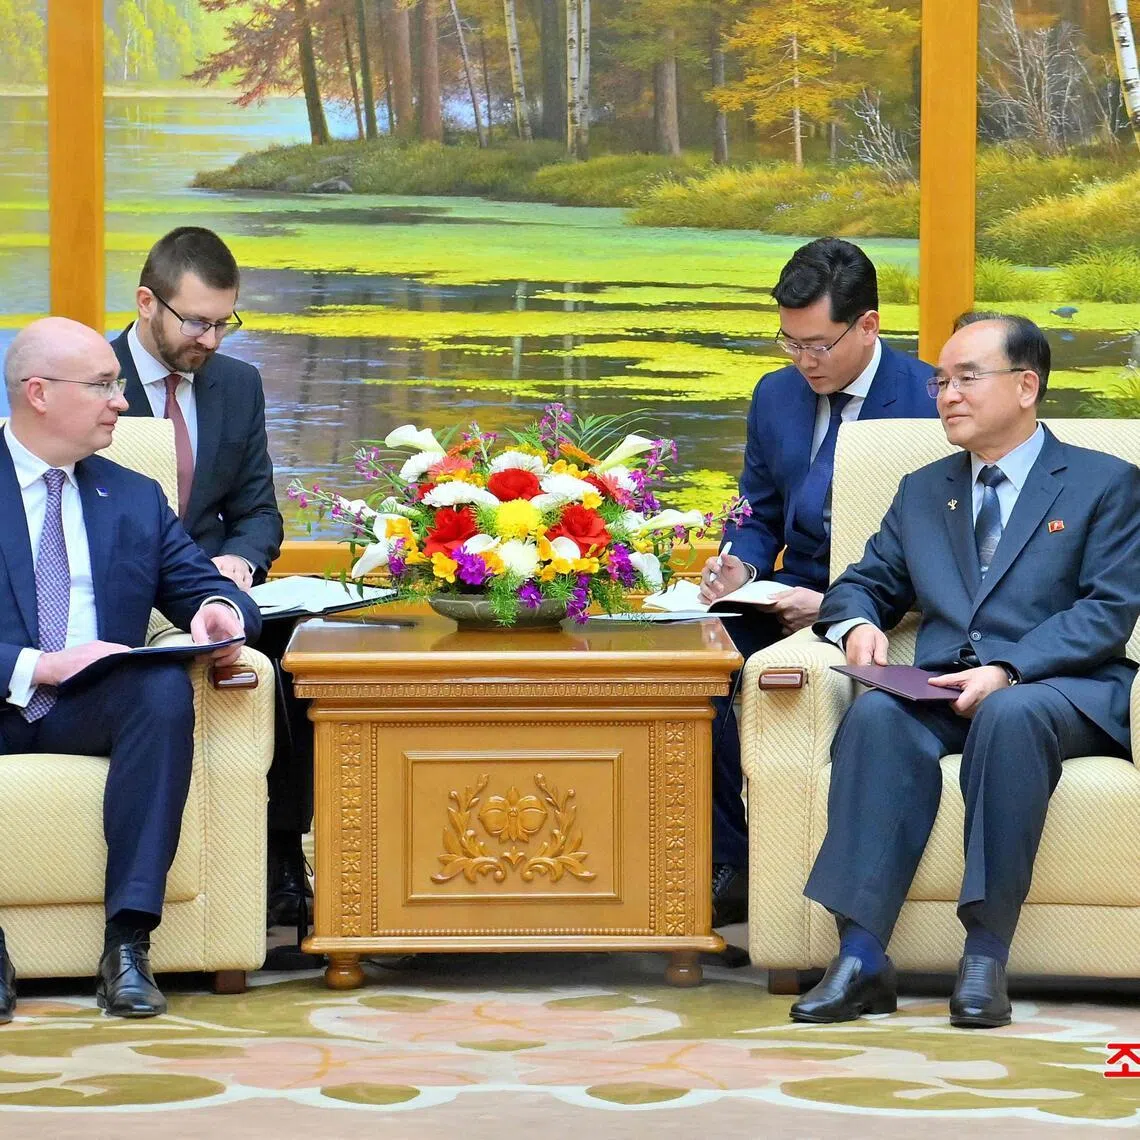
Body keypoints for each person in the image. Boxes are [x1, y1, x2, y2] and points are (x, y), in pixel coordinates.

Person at [791, 313, 1140, 1028]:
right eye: (941, 381)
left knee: (1011, 715)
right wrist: (855, 624)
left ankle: (985, 951)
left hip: (1060, 689)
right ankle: (860, 955)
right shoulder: (925, 489)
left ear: (1026, 385)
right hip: (942, 683)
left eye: (966, 378)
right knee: (877, 715)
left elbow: (1108, 611)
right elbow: (865, 582)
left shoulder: (1106, 484)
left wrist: (1010, 668)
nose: (947, 394)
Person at [0, 317, 260, 1020]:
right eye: (103, 386)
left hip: (93, 704)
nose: (121, 400)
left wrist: (217, 612)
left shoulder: (133, 495)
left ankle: (127, 943)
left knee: (159, 688)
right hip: (5, 694)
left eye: (117, 386)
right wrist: (40, 664)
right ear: (39, 394)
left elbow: (203, 584)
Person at [698, 238, 937, 926]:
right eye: (789, 342)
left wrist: (834, 606)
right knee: (694, 670)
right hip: (780, 594)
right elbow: (757, 511)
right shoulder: (776, 395)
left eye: (818, 345)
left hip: (883, 605)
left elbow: (946, 550)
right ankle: (736, 861)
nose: (803, 362)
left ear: (868, 325)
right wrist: (738, 561)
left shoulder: (927, 403)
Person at [111, 228, 307, 931]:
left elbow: (257, 511)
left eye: (226, 322)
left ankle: (283, 859)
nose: (213, 339)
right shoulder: (93, 383)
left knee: (288, 650)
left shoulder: (237, 384)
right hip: (125, 593)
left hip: (213, 589)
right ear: (146, 303)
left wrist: (241, 563)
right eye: (197, 321)